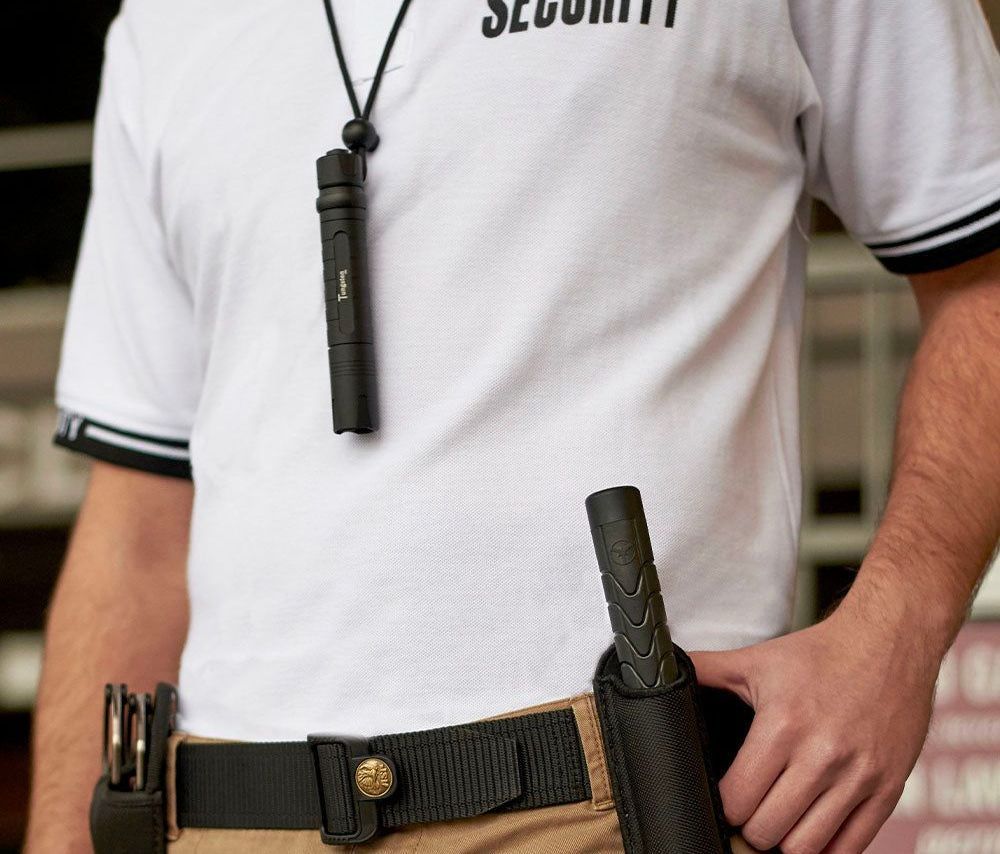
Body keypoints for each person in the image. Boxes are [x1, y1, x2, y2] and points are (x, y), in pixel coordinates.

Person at [25, 0, 1000, 851]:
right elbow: (139, 517)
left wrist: (895, 635)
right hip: (230, 817)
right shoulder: (164, 18)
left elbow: (981, 287)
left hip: (618, 798)